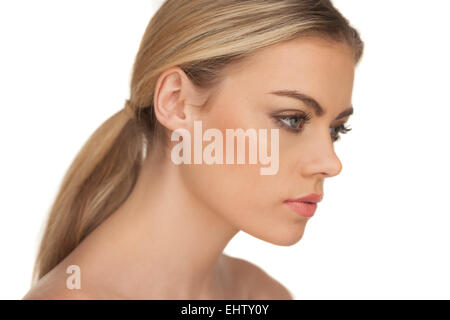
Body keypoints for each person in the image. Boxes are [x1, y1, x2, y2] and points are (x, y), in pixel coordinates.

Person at [23, 0, 364, 299]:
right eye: (292, 120)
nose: (330, 163)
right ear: (177, 103)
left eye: (336, 129)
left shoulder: (261, 295)